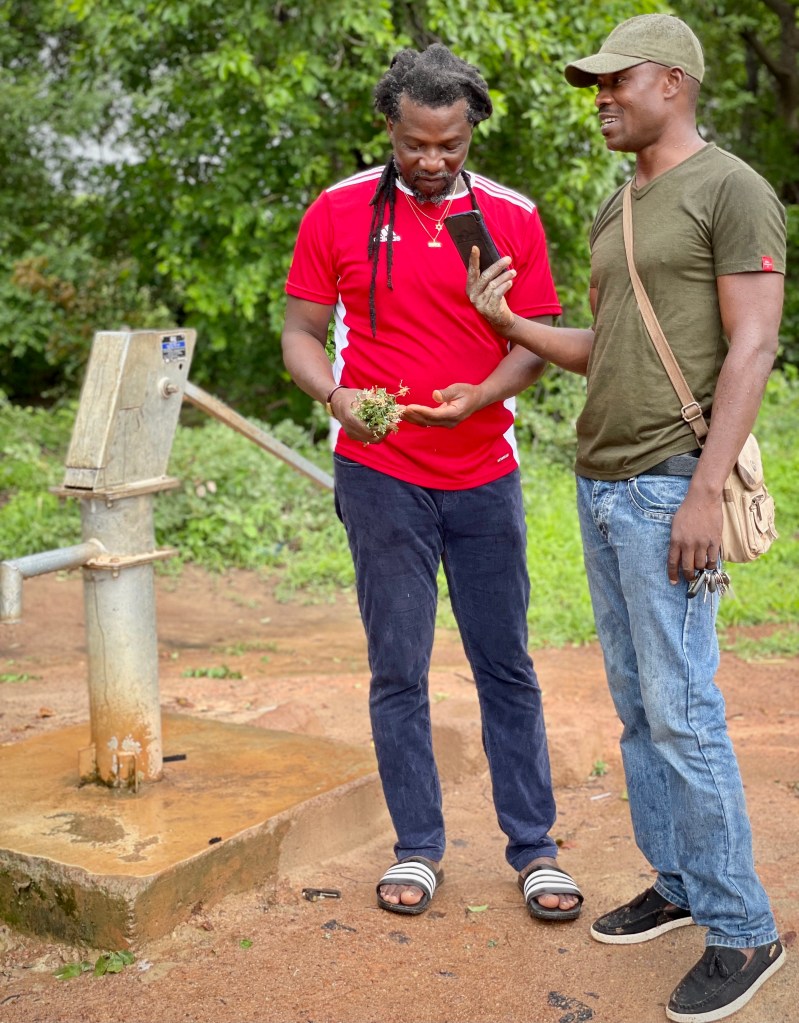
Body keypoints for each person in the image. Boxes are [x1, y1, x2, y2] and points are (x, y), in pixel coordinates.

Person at [466, 13, 786, 1023]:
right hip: (602, 483)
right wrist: (511, 325)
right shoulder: (620, 204)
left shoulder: (731, 188)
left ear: (673, 84)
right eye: (594, 84)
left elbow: (753, 347)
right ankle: (679, 882)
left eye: (616, 81)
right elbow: (607, 343)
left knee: (683, 710)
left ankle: (742, 928)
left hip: (668, 483)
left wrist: (704, 488)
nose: (600, 97)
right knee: (639, 708)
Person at [281, 43, 582, 923]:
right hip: (379, 474)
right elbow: (301, 332)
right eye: (414, 143)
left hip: (484, 472)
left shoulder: (510, 216)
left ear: (470, 130)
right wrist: (335, 395)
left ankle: (534, 849)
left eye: (449, 144)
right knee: (398, 668)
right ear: (389, 126)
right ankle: (417, 844)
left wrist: (482, 395)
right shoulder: (337, 210)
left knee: (505, 663)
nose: (431, 160)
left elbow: (538, 339)